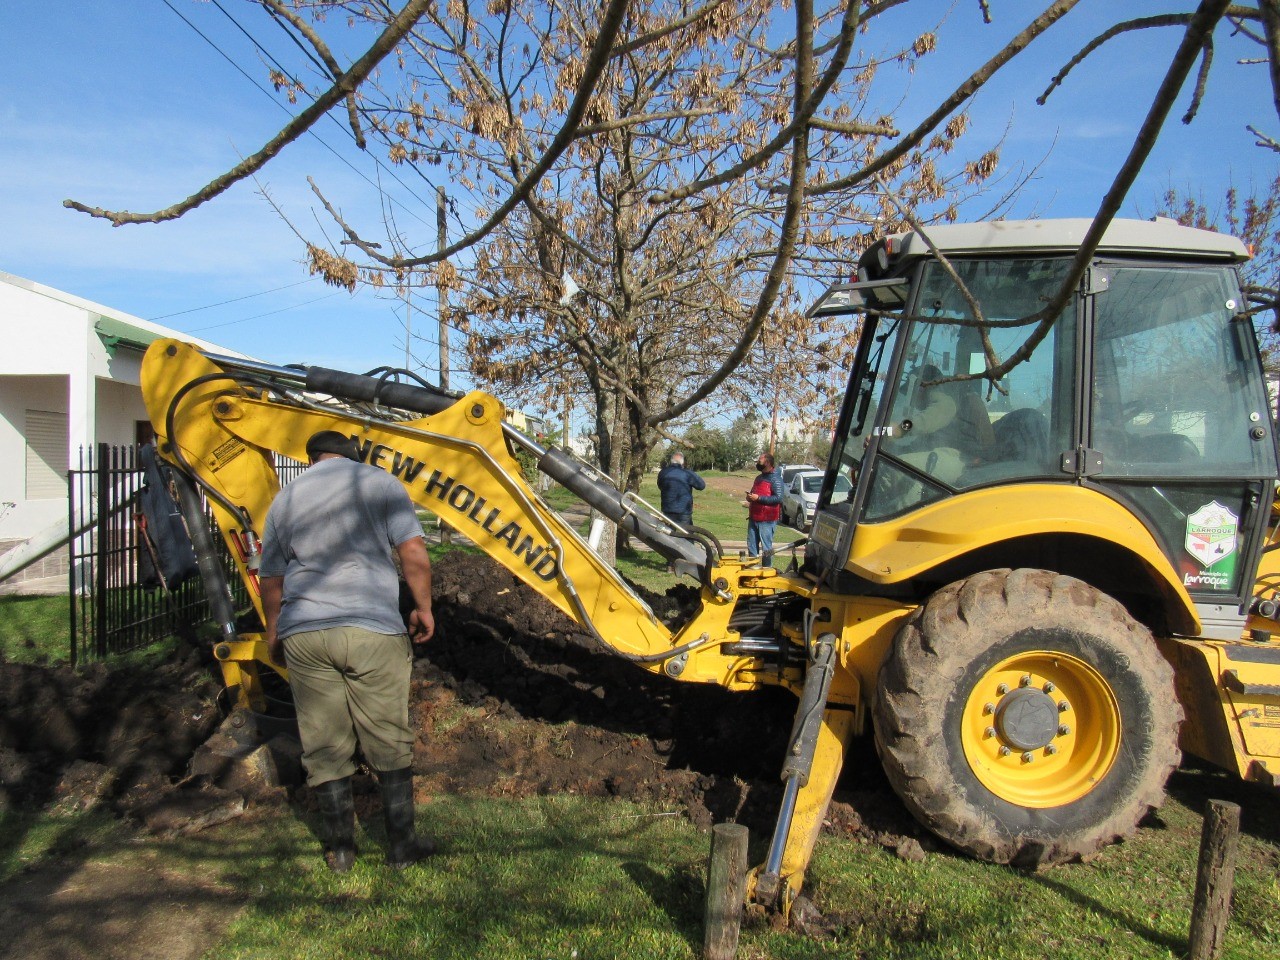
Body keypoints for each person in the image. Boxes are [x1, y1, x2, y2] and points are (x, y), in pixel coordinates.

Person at [259, 430, 436, 873]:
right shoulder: (378, 483)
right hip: (371, 629)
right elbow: (412, 550)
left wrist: (274, 632)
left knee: (323, 742)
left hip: (307, 633)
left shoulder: (286, 498)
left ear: (312, 458)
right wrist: (423, 608)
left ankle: (340, 852)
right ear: (352, 455)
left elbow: (271, 577)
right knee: (388, 737)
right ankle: (402, 848)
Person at [745, 452, 783, 565]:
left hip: (767, 521)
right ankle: (752, 570)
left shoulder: (776, 479)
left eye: (760, 460)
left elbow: (778, 498)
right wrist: (750, 497)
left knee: (766, 549)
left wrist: (759, 498)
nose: (758, 463)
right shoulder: (758, 478)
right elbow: (754, 493)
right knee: (751, 547)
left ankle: (767, 572)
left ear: (767, 462)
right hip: (753, 518)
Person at [656, 451, 705, 529]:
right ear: (682, 462)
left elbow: (660, 485)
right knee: (687, 535)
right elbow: (701, 486)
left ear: (671, 461)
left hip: (667, 509)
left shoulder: (663, 473)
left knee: (667, 535)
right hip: (684, 510)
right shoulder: (688, 473)